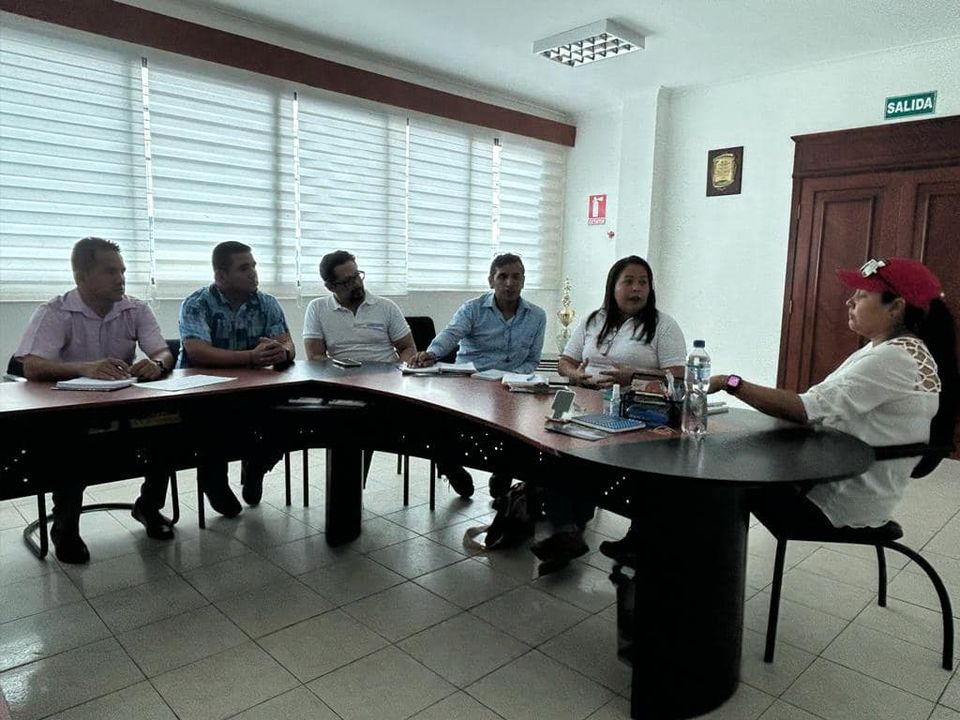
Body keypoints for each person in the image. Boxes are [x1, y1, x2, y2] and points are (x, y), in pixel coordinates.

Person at [708, 257, 957, 533]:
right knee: (732, 463)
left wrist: (730, 383)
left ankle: (709, 560)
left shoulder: (894, 359)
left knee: (718, 477)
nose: (850, 301)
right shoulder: (887, 350)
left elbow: (806, 409)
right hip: (834, 478)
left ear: (895, 308)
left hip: (833, 500)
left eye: (862, 295)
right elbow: (820, 407)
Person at [14, 237, 176, 563]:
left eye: (123, 271)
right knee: (70, 447)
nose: (121, 279)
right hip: (67, 411)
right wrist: (84, 368)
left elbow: (162, 351)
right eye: (110, 271)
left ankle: (148, 507)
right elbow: (31, 366)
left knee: (168, 428)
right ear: (81, 277)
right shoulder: (55, 312)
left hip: (122, 403)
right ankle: (65, 528)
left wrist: (156, 364)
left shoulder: (135, 308)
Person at [531, 255, 687, 572]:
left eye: (643, 282)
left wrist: (634, 375)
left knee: (589, 460)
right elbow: (565, 362)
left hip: (637, 413)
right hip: (584, 403)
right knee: (553, 447)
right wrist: (576, 374)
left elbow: (678, 375)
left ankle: (575, 531)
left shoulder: (663, 325)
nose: (637, 288)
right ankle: (567, 530)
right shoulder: (594, 320)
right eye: (628, 281)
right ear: (612, 286)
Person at [408, 253, 547, 498]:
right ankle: (451, 466)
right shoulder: (473, 309)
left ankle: (503, 472)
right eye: (502, 277)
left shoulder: (537, 316)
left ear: (523, 281)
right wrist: (431, 353)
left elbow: (532, 361)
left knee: (522, 429)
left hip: (510, 387)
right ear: (491, 281)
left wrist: (511, 376)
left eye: (516, 277)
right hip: (470, 383)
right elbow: (451, 335)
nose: (509, 283)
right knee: (438, 421)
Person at [178, 241, 296, 516]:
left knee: (289, 416)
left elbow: (288, 343)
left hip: (252, 389)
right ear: (221, 276)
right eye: (244, 268)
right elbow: (197, 352)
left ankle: (256, 469)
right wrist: (251, 357)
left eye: (254, 266)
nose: (253, 273)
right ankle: (214, 481)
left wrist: (283, 352)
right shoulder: (196, 303)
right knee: (214, 423)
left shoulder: (267, 303)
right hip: (204, 391)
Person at [303, 250, 416, 364]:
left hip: (386, 371)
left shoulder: (386, 307)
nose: (357, 284)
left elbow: (408, 348)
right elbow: (315, 356)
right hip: (341, 372)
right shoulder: (317, 308)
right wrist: (339, 370)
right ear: (330, 287)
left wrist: (399, 371)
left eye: (357, 276)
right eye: (348, 281)